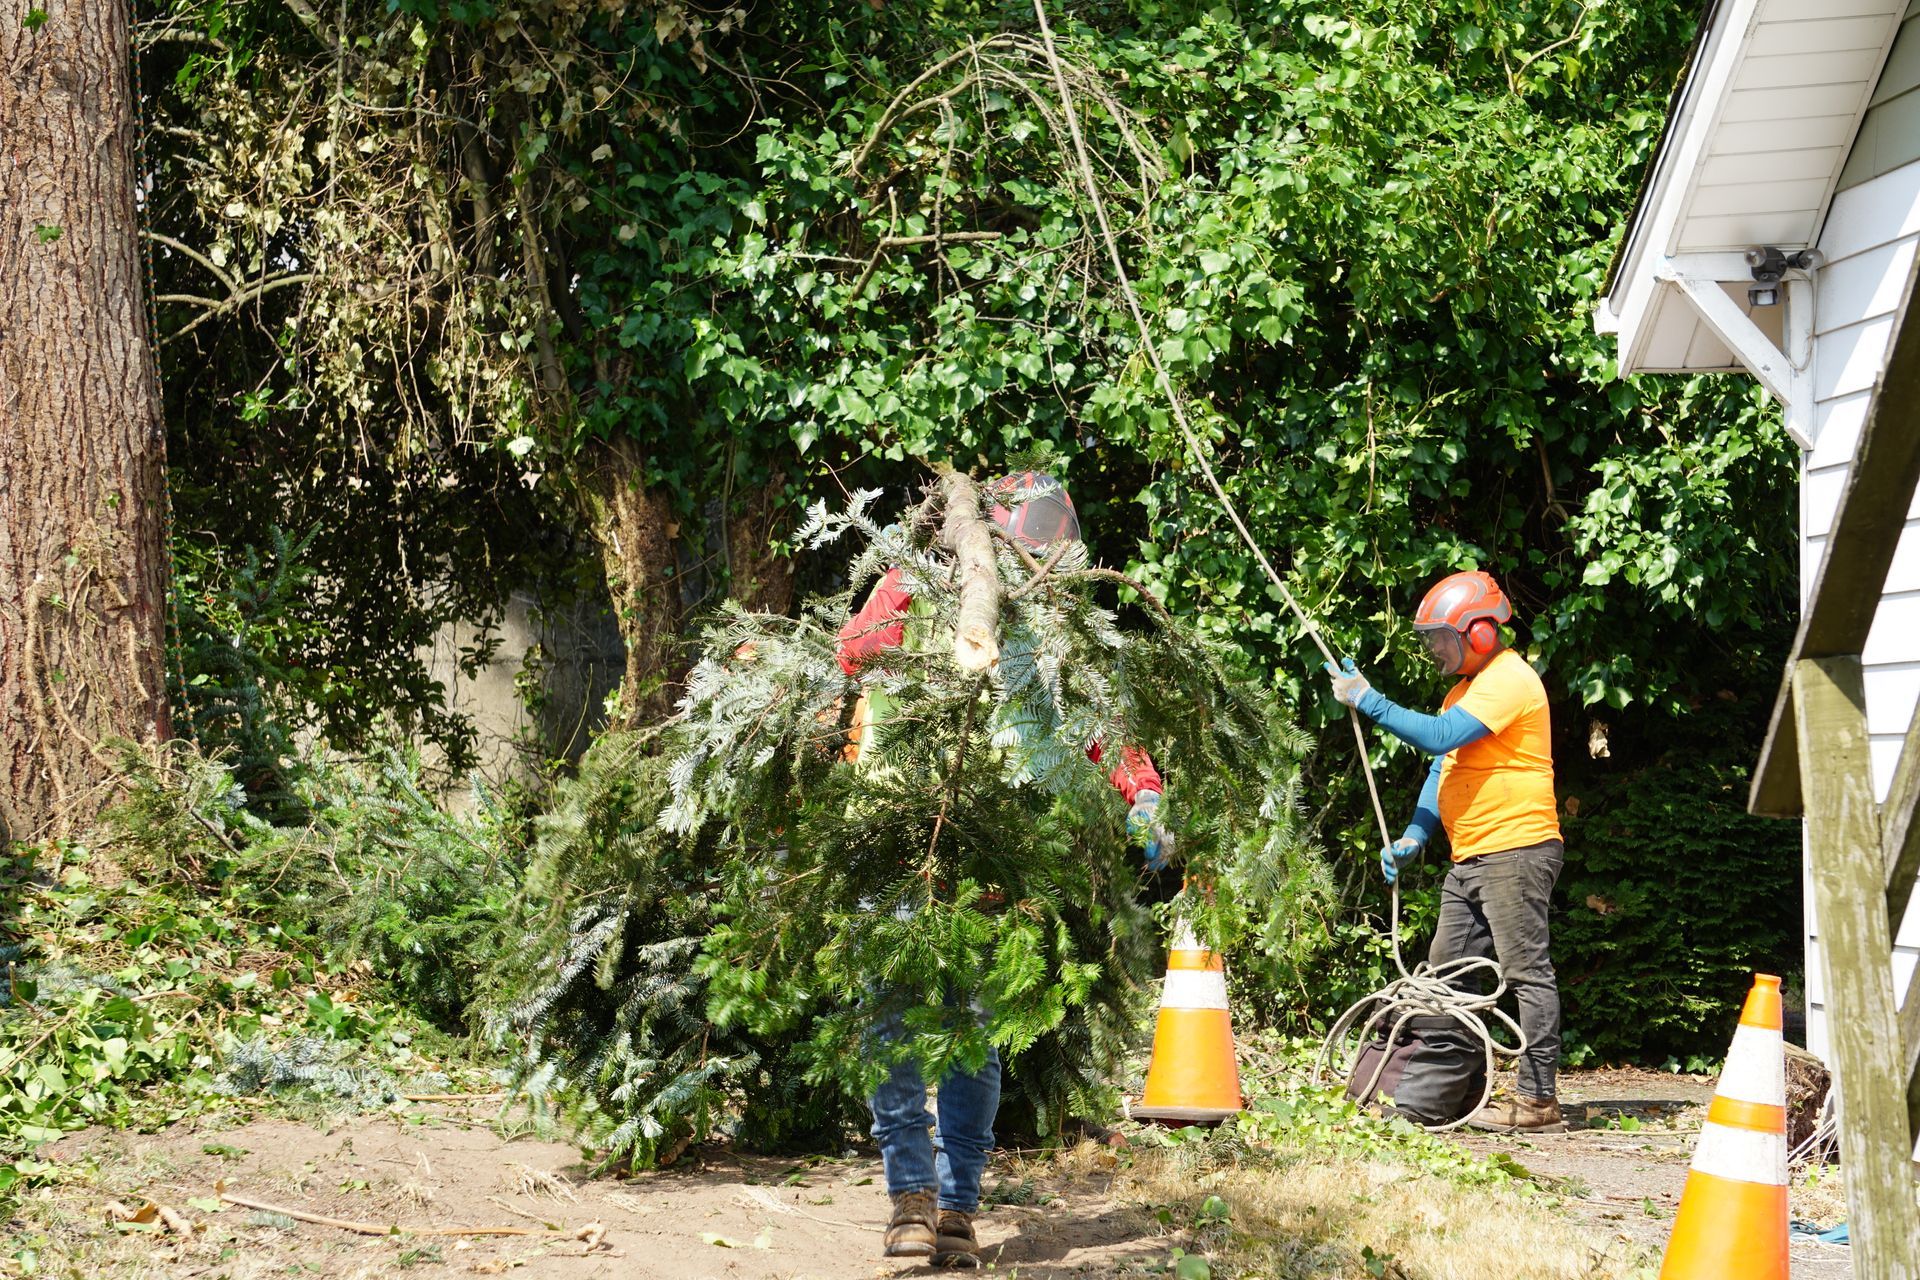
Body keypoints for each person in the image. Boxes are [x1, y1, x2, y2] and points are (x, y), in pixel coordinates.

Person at [835, 472, 1166, 1264]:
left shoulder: (1062, 631)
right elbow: (851, 654)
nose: (1037, 577)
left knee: (975, 1035)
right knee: (893, 1021)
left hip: (1002, 852)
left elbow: (1108, 727)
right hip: (898, 835)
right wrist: (910, 590)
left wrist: (1144, 795)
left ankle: (957, 1207)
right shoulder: (915, 586)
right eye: (1026, 557)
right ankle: (908, 1198)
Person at [1325, 569, 1565, 1134]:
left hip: (1517, 850)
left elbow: (1435, 737)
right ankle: (1447, 1093)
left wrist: (1370, 700)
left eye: (1441, 637)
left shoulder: (1509, 679)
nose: (1434, 648)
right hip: (1472, 856)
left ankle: (1538, 1102)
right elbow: (1444, 765)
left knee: (1526, 973)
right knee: (1445, 976)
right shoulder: (1466, 690)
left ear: (1479, 633)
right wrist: (1416, 833)